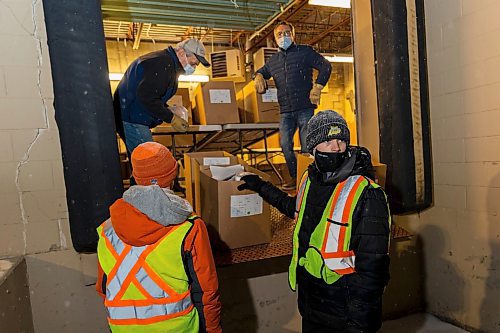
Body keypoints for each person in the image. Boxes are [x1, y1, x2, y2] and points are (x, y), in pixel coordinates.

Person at [238, 110, 391, 332]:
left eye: (341, 140)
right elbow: (295, 209)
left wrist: (361, 320)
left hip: (345, 311)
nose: (336, 147)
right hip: (312, 302)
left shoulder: (367, 193)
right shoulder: (311, 181)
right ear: (313, 147)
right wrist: (261, 186)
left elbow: (374, 267)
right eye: (328, 141)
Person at [96, 142, 222, 333]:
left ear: (136, 177)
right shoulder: (189, 227)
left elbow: (103, 287)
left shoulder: (107, 229)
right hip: (178, 327)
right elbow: (206, 292)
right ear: (173, 174)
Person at [254, 21, 332, 190]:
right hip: (285, 111)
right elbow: (262, 71)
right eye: (279, 34)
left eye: (287, 32)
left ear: (293, 34)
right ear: (275, 39)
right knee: (284, 145)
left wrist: (318, 86)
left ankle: (309, 181)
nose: (284, 36)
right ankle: (296, 177)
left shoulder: (305, 52)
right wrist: (258, 76)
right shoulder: (273, 61)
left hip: (305, 107)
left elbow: (325, 66)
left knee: (306, 148)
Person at [113, 38, 210, 155]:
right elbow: (146, 97)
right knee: (150, 163)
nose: (193, 68)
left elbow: (153, 95)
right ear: (181, 52)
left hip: (133, 116)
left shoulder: (167, 64)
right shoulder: (163, 65)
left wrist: (169, 109)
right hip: (132, 119)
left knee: (143, 163)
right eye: (193, 63)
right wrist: (171, 118)